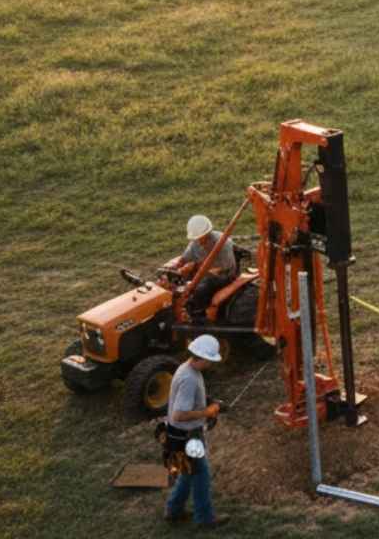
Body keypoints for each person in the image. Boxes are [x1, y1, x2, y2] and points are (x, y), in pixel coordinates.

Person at [164, 334, 227, 528]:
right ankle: (205, 519)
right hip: (186, 436)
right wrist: (207, 411)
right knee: (201, 476)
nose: (211, 364)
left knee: (187, 473)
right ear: (204, 358)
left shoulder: (187, 368)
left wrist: (208, 401)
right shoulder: (189, 378)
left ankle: (173, 510)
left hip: (179, 434)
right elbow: (179, 414)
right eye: (211, 360)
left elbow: (187, 400)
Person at [180, 215, 238, 321]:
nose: (199, 241)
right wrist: (179, 267)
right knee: (181, 282)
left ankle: (198, 315)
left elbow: (223, 267)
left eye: (202, 237)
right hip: (204, 271)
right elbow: (184, 258)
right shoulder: (195, 243)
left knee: (202, 288)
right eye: (196, 238)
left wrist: (196, 267)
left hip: (225, 275)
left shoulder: (223, 242)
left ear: (208, 232)